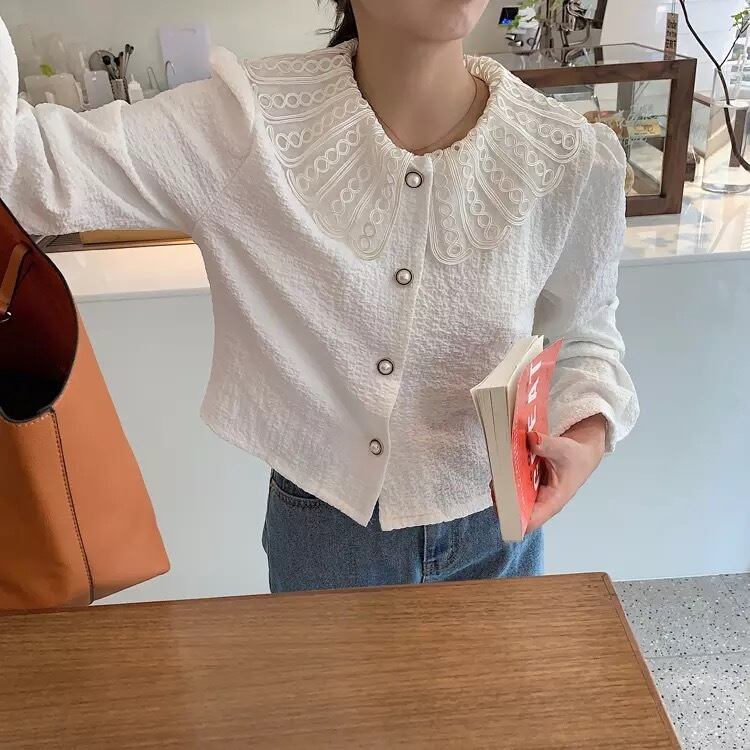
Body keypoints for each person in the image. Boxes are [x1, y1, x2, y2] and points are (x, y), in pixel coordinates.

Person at [0, 0, 638, 593]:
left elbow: (585, 335)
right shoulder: (245, 124)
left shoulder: (565, 154)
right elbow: (22, 167)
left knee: (493, 689)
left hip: (499, 529)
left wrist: (584, 440)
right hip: (326, 536)